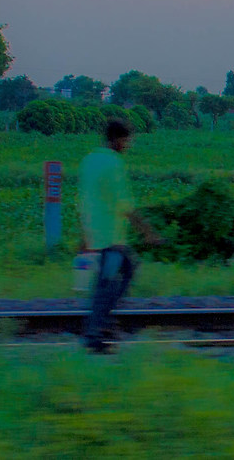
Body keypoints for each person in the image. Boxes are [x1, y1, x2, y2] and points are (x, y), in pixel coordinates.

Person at [79, 114, 164, 353]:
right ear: (116, 139)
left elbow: (84, 200)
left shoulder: (89, 160)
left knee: (119, 273)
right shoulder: (114, 163)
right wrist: (149, 232)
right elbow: (124, 205)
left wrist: (84, 236)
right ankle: (96, 333)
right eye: (126, 141)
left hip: (95, 233)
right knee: (108, 284)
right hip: (111, 236)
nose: (127, 145)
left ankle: (102, 325)